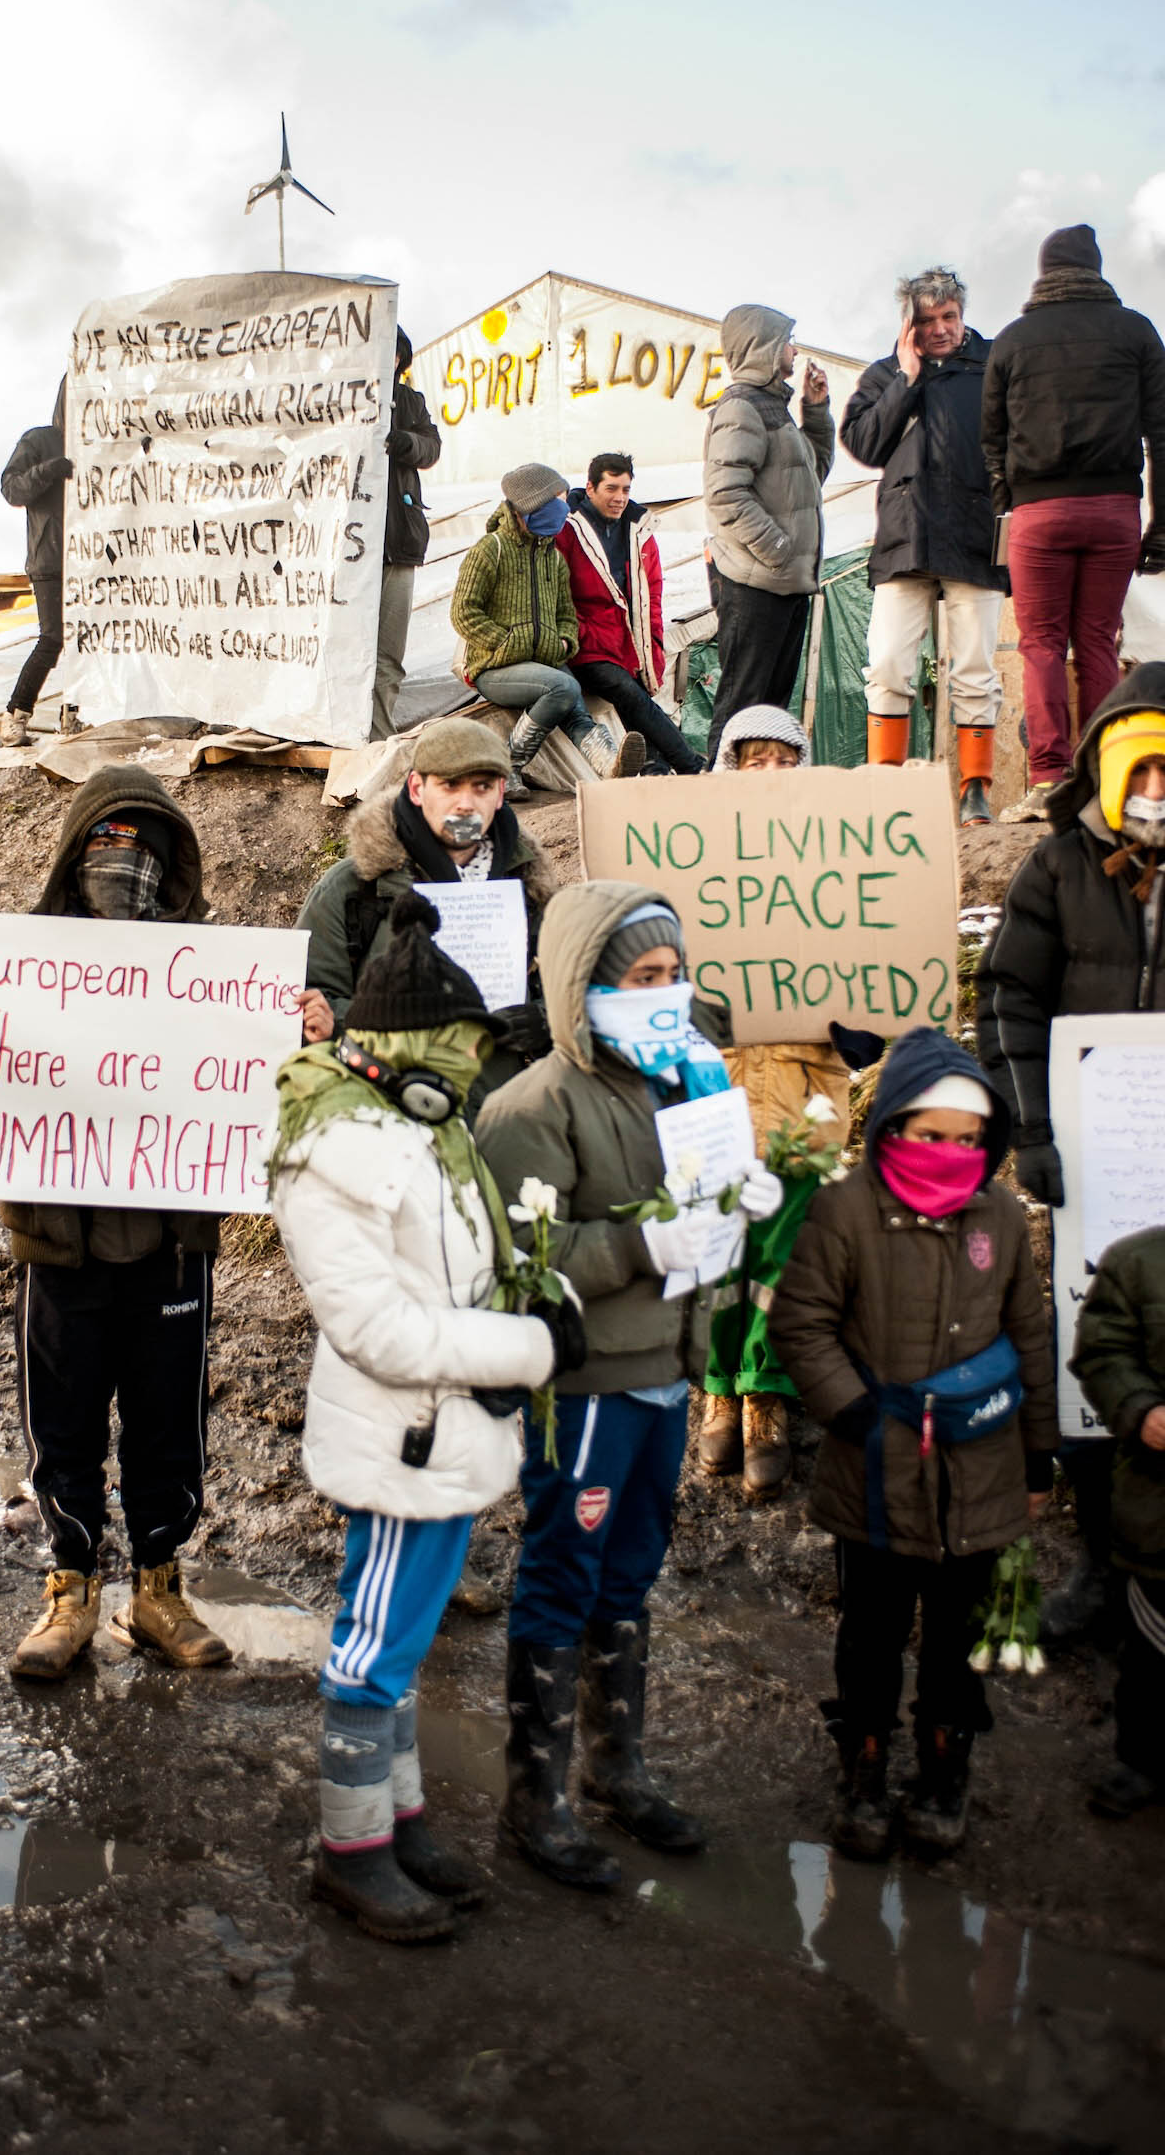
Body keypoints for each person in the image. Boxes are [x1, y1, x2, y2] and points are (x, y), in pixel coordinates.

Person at [0, 765, 304, 1682]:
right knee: (66, 1422)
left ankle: (159, 1589)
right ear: (74, 855)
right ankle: (71, 1586)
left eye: (144, 853)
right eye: (105, 848)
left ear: (173, 866)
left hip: (170, 1251)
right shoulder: (24, 963)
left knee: (170, 1425)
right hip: (59, 1248)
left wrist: (302, 1036)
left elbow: (264, 1099)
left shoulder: (212, 974)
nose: (122, 869)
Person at [269, 894, 569, 1941]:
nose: (466, 1064)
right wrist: (524, 1351)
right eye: (449, 1045)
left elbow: (459, 1265)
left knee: (403, 1635)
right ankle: (349, 1848)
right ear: (394, 1046)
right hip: (402, 1435)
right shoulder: (338, 1151)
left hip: (446, 1431)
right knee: (371, 1646)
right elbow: (379, 1328)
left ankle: (396, 1817)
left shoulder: (424, 1129)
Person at [478, 883, 781, 1885]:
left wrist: (749, 1195)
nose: (666, 994)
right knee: (563, 1569)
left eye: (674, 974)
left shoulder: (683, 1075)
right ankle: (535, 1795)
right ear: (585, 987)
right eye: (641, 979)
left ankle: (616, 1765)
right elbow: (520, 1251)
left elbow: (710, 1189)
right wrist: (634, 1243)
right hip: (589, 1381)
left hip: (666, 1370)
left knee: (630, 1569)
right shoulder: (531, 1107)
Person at [769, 1028, 1056, 1861]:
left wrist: (1037, 1455)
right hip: (878, 1473)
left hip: (982, 1469)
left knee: (955, 1638)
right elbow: (802, 1321)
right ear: (892, 1126)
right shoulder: (846, 1210)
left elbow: (1028, 1332)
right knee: (871, 1632)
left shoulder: (998, 1215)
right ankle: (863, 1763)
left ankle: (942, 1767)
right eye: (932, 1135)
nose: (951, 1152)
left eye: (969, 1140)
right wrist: (855, 1416)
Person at [977, 662, 1165, 1643]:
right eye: (1140, 773)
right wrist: (1029, 1127)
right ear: (1104, 767)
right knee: (1101, 1355)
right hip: (1095, 1180)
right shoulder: (1051, 869)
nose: (1152, 797)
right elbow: (1006, 996)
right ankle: (1102, 1563)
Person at [699, 705, 852, 1498]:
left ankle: (768, 1399)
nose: (769, 776)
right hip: (714, 1095)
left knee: (784, 1262)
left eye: (784, 760)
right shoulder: (692, 879)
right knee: (716, 1255)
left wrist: (862, 1028)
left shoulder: (835, 871)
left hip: (802, 1100)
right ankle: (716, 1392)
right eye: (752, 760)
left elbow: (872, 972)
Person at [982, 225, 1165, 821]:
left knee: (1040, 645)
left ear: (1044, 271)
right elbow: (1162, 436)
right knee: (1097, 643)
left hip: (1039, 513)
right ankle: (1108, 776)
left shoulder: (1012, 341)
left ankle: (1047, 780)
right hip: (1113, 508)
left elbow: (992, 438)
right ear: (1096, 268)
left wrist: (1009, 499)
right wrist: (1160, 525)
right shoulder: (1137, 331)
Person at [296, 714, 553, 1113]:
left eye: (482, 787)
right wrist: (397, 1018)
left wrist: (542, 1020)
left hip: (502, 1116)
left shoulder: (530, 887)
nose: (465, 803)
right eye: (449, 785)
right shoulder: (355, 887)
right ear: (417, 788)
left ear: (501, 793)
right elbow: (308, 1000)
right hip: (386, 1113)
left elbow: (573, 991)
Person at [841, 267, 1005, 825]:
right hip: (905, 538)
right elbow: (863, 443)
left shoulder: (994, 367)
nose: (939, 329)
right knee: (887, 662)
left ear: (963, 314)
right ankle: (885, 787)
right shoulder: (886, 372)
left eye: (948, 317)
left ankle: (976, 788)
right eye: (926, 320)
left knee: (975, 665)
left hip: (975, 532)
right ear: (908, 322)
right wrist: (907, 377)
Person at [451, 462, 643, 791]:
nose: (564, 509)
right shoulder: (489, 551)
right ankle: (506, 766)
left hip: (543, 662)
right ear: (532, 503)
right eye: (558, 500)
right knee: (563, 688)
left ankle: (610, 765)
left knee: (576, 709)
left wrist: (565, 642)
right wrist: (507, 641)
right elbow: (462, 612)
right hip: (494, 666)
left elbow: (566, 615)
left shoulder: (552, 557)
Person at [701, 305, 833, 764]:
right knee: (742, 706)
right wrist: (778, 548)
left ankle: (758, 815)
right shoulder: (741, 406)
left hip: (783, 581)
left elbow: (810, 478)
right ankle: (711, 805)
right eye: (788, 342)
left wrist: (815, 414)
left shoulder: (774, 406)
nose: (795, 351)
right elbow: (724, 493)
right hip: (757, 582)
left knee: (769, 714)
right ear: (765, 347)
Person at [1070, 1226, 1165, 1817]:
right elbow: (1102, 1352)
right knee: (1154, 1648)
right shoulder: (1137, 1261)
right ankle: (1145, 1759)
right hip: (1158, 1508)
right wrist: (1142, 1409)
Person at [560, 454, 701, 777]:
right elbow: (559, 595)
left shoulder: (641, 528)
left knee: (635, 697)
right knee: (629, 693)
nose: (620, 497)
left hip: (631, 644)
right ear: (591, 487)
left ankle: (655, 769)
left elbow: (652, 595)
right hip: (589, 644)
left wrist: (652, 645)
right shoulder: (568, 531)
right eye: (611, 488)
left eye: (625, 489)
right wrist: (579, 635)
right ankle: (690, 764)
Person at [371, 328, 442, 741]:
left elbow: (431, 448)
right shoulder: (336, 396)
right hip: (342, 552)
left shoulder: (410, 401)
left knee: (388, 653)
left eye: (391, 351)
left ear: (400, 358)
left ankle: (377, 740)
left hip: (397, 543)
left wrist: (403, 442)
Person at [0, 378, 74, 748]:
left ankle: (75, 715)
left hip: (95, 563)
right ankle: (15, 716)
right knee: (53, 638)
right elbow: (11, 489)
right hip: (50, 560)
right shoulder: (40, 440)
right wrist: (51, 469)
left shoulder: (104, 445)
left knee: (92, 642)